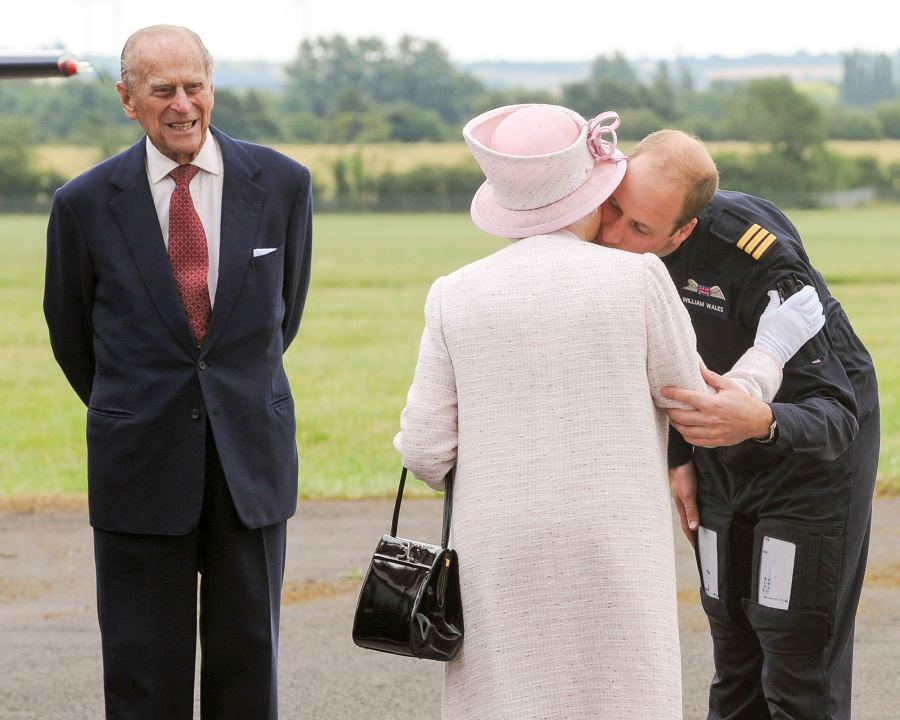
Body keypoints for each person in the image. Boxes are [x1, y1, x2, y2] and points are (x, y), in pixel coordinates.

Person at [396, 104, 823, 720]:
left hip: (498, 549)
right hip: (615, 544)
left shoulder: (453, 294)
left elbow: (425, 449)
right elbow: (699, 409)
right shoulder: (640, 278)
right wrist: (770, 352)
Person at [43, 25, 312, 720]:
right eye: (162, 90)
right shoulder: (82, 204)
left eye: (195, 86)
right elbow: (73, 338)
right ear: (127, 100)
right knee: (142, 678)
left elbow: (283, 319)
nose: (182, 104)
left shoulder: (282, 184)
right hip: (140, 465)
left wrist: (222, 395)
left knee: (248, 668)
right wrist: (140, 407)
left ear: (212, 87)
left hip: (248, 463)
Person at [598, 129, 879, 720]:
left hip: (806, 446)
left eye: (641, 231)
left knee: (796, 663)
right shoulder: (600, 229)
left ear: (684, 232)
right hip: (719, 437)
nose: (613, 236)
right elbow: (666, 367)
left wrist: (762, 420)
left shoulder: (758, 258)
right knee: (734, 655)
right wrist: (679, 459)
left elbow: (837, 414)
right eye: (614, 210)